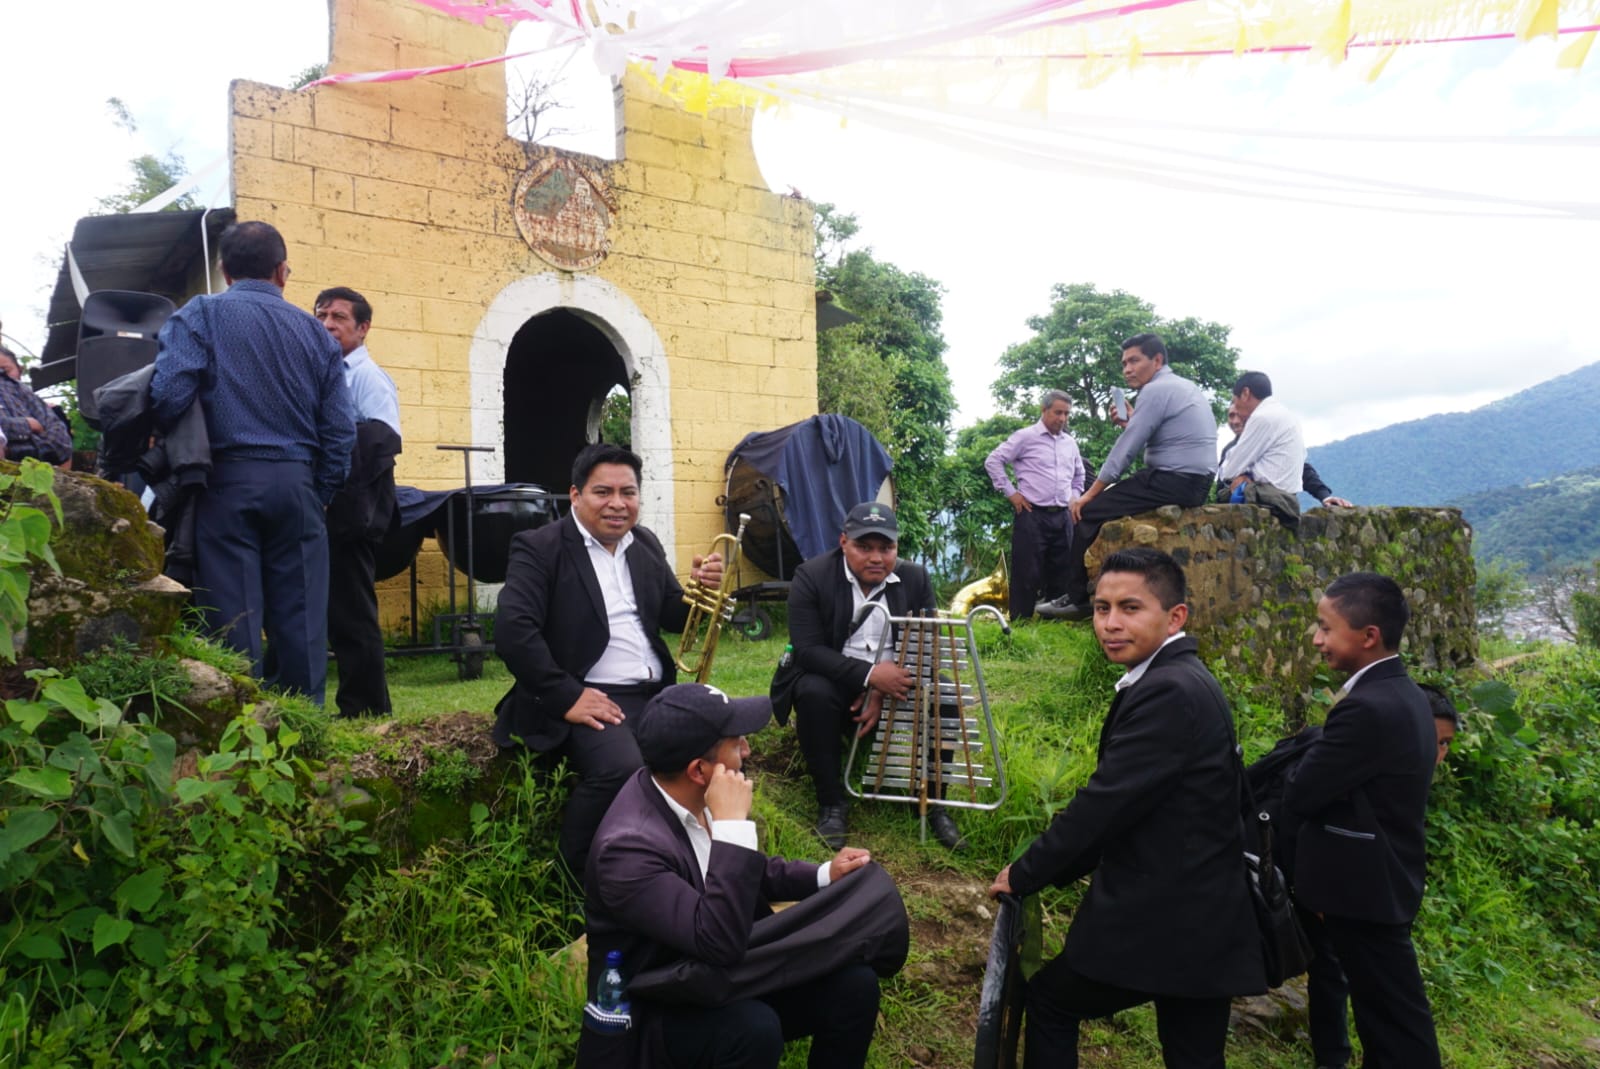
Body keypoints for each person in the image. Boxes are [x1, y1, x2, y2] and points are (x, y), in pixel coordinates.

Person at [989, 547, 1264, 1067]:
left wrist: (1025, 873)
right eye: (1100, 608)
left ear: (1175, 615)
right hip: (1207, 915)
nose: (1110, 623)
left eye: (1130, 608)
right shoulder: (1178, 678)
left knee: (1051, 1000)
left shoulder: (1170, 692)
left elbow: (1104, 806)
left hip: (1169, 916)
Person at [580, 682, 903, 1069]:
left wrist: (823, 874)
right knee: (753, 1029)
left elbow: (746, 874)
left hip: (711, 976)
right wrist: (734, 826)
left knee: (855, 986)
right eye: (736, 743)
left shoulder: (687, 793)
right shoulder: (627, 851)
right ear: (699, 770)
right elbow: (718, 941)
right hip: (653, 1006)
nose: (747, 750)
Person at [492, 443, 722, 881]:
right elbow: (512, 631)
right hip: (593, 694)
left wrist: (698, 592)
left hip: (654, 693)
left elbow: (670, 613)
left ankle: (697, 869)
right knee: (623, 771)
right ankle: (573, 881)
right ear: (575, 495)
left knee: (718, 751)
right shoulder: (539, 547)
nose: (618, 504)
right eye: (603, 492)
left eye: (628, 492)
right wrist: (567, 696)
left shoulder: (644, 543)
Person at [150, 221, 354, 703]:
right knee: (302, 621)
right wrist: (318, 492)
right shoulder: (317, 334)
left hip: (226, 482)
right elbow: (341, 431)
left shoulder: (199, 315)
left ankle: (240, 738)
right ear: (282, 272)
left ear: (223, 270)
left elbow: (169, 395)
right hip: (298, 483)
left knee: (233, 619)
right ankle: (306, 741)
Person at [1285, 572, 1442, 1069]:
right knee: (1388, 1016)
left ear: (1368, 635)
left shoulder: (1366, 708)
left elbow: (1302, 791)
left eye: (1326, 628)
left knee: (1397, 1029)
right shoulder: (1407, 693)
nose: (1317, 640)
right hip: (1386, 879)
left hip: (1364, 892)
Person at [784, 501, 965, 851]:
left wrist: (881, 690)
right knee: (812, 693)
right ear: (843, 542)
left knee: (943, 693)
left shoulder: (915, 577)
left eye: (886, 548)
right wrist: (869, 677)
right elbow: (807, 649)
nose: (876, 558)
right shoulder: (811, 575)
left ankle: (933, 800)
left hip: (896, 678)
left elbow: (927, 646)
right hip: (835, 675)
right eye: (863, 547)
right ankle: (832, 802)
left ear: (897, 547)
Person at [1038, 334, 1217, 621]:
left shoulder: (1156, 390)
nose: (1127, 369)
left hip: (1173, 479)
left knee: (1087, 514)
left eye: (1134, 361)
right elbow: (1159, 437)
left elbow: (1125, 451)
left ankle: (1077, 598)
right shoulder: (1181, 386)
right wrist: (1130, 422)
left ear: (1157, 361)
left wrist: (1089, 495)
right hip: (1195, 480)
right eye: (1124, 363)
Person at [313, 286, 402, 719]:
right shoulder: (325, 372)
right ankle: (356, 704)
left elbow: (380, 445)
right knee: (334, 611)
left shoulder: (367, 377)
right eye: (322, 315)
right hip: (329, 509)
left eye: (339, 318)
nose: (327, 324)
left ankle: (366, 708)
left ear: (363, 329)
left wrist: (341, 502)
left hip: (353, 512)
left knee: (353, 613)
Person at [983, 389, 1086, 619]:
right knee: (1026, 573)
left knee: (1062, 571)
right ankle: (1019, 624)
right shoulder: (1025, 437)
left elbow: (1080, 476)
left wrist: (1074, 497)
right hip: (1032, 514)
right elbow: (993, 461)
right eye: (1058, 412)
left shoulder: (1070, 443)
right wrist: (1011, 493)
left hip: (1063, 516)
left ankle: (1055, 625)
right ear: (1044, 410)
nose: (1062, 418)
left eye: (1066, 414)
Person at [1218, 397, 1352, 509]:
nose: (1235, 421)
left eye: (1240, 415)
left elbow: (1300, 469)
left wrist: (1324, 496)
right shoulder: (1229, 450)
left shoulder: (1270, 441)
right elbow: (1220, 489)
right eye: (1231, 416)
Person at [1216, 371, 1307, 526]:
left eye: (1235, 400)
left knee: (1222, 495)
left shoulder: (1262, 417)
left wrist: (1244, 475)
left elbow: (1229, 471)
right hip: (1287, 495)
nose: (1236, 408)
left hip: (1269, 494)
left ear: (1245, 393)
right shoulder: (1284, 413)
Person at [0, 345, 72, 464]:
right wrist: (26, 425)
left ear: (20, 369)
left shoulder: (27, 394)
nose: (1, 377)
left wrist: (13, 448)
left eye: (4, 370)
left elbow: (61, 443)